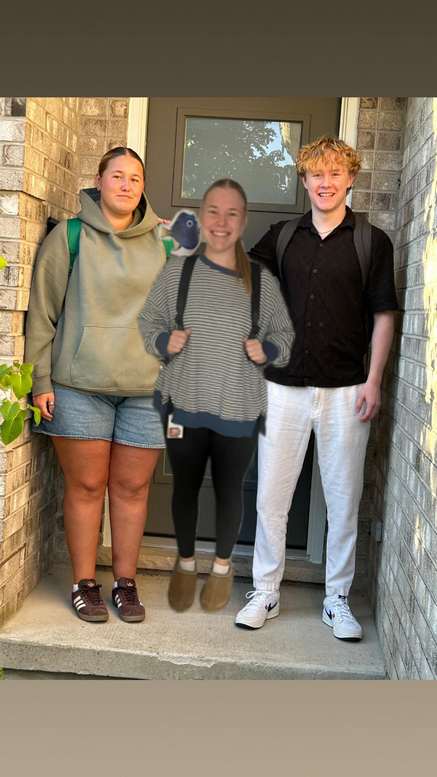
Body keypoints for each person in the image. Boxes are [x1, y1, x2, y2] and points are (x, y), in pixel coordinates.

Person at [235, 135, 398, 640]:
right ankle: (265, 591)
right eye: (316, 174)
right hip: (282, 388)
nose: (325, 183)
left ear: (350, 179)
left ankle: (337, 600)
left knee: (343, 501)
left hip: (348, 390)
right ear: (304, 180)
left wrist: (374, 380)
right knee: (272, 497)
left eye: (334, 173)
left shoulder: (371, 241)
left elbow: (384, 314)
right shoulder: (283, 237)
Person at [24, 146, 167, 624]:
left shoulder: (166, 243)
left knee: (132, 488)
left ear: (143, 187)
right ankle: (84, 584)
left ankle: (125, 583)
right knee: (86, 486)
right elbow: (42, 314)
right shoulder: (69, 237)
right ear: (99, 181)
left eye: (135, 178)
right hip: (78, 385)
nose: (126, 185)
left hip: (147, 388)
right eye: (117, 176)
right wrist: (40, 379)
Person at [138, 178, 293, 613]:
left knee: (229, 489)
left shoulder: (260, 281)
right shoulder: (179, 273)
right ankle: (186, 564)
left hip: (238, 407)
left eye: (231, 214)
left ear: (242, 222)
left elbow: (283, 335)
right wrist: (163, 340)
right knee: (185, 487)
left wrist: (268, 350)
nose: (221, 222)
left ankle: (222, 568)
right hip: (183, 404)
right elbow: (149, 321)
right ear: (202, 217)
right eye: (213, 212)